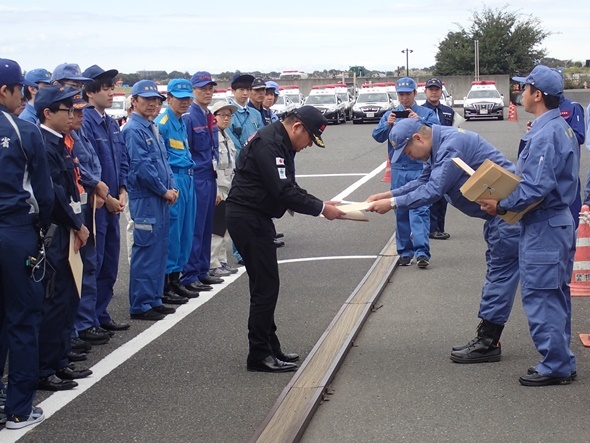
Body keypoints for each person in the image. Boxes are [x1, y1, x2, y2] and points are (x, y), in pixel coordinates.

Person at [366, 118, 520, 364]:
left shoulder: (452, 145)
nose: (411, 158)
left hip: (509, 217)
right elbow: (423, 181)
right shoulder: (441, 143)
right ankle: (491, 339)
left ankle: (488, 342)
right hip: (502, 217)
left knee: (502, 275)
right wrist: (388, 194)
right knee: (510, 276)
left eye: (408, 152)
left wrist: (392, 204)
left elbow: (433, 190)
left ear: (418, 138)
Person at [479, 65, 579, 386]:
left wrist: (501, 204)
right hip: (553, 223)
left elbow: (536, 187)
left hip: (544, 225)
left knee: (542, 295)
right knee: (554, 294)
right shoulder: (556, 127)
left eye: (524, 88)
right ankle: (560, 359)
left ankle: (556, 365)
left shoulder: (547, 133)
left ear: (538, 95)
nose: (519, 93)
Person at [226, 106, 346, 373]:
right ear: (297, 127)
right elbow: (283, 191)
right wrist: (322, 210)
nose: (308, 146)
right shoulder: (270, 143)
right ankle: (258, 354)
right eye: (309, 139)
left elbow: (287, 186)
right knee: (265, 287)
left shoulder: (278, 140)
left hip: (255, 216)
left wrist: (319, 203)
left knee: (266, 285)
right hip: (248, 217)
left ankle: (270, 346)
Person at [0, 58, 53, 429]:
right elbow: (45, 195)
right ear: (5, 90)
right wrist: (41, 230)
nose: (23, 96)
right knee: (23, 321)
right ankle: (19, 408)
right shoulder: (24, 130)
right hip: (16, 230)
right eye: (20, 90)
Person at [35, 85, 93, 392]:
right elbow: (54, 195)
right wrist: (76, 224)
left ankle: (59, 360)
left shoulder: (59, 143)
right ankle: (45, 368)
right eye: (65, 110)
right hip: (59, 230)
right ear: (48, 113)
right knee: (56, 300)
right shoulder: (44, 144)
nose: (71, 115)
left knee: (69, 297)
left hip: (71, 227)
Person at [81, 65, 130, 332]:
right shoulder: (85, 122)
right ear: (90, 92)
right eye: (106, 87)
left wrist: (121, 190)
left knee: (110, 260)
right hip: (96, 203)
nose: (112, 92)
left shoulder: (111, 123)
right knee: (94, 262)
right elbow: (86, 167)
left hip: (113, 201)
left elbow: (122, 159)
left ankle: (101, 313)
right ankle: (86, 321)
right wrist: (108, 196)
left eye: (112, 86)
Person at [123, 80, 178, 321]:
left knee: (159, 249)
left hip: (160, 196)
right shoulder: (133, 130)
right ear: (134, 101)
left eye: (156, 100)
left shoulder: (151, 127)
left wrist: (172, 187)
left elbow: (164, 161)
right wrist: (163, 190)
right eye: (147, 100)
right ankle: (141, 304)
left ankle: (154, 298)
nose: (153, 104)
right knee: (145, 251)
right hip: (146, 198)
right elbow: (140, 167)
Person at [371, 77, 438, 268]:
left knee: (420, 209)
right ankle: (405, 252)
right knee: (399, 209)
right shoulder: (389, 114)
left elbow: (439, 131)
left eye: (408, 94)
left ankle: (422, 252)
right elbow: (377, 136)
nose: (404, 98)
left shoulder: (426, 113)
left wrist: (420, 121)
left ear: (415, 94)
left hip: (420, 167)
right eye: (401, 94)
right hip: (399, 169)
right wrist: (388, 124)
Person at [154, 78, 200, 303]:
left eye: (187, 99)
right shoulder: (162, 122)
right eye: (180, 99)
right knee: (172, 233)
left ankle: (176, 278)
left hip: (188, 178)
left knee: (185, 231)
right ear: (169, 98)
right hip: (174, 179)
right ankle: (166, 284)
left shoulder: (181, 121)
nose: (185, 102)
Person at [179, 71, 223, 291]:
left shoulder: (208, 115)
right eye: (202, 88)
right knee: (194, 228)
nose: (207, 92)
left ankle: (202, 269)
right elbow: (186, 150)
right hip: (196, 176)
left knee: (207, 226)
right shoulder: (189, 116)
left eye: (210, 88)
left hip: (209, 176)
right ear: (192, 90)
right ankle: (190, 273)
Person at [421, 77, 454, 240]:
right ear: (425, 91)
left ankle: (440, 227)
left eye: (437, 89)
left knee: (443, 194)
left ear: (441, 92)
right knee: (431, 192)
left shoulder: (448, 111)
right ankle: (431, 228)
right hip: (427, 156)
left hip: (445, 155)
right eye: (430, 89)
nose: (434, 92)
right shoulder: (420, 112)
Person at [209, 101, 239, 277]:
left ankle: (221, 260)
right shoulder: (212, 136)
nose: (226, 118)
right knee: (216, 228)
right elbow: (211, 165)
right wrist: (216, 191)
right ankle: (212, 263)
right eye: (222, 115)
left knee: (223, 227)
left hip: (228, 186)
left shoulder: (226, 136)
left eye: (229, 115)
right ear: (214, 117)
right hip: (218, 187)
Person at [558, 93, 585, 226]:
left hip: (568, 170)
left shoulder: (572, 107)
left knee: (572, 213)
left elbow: (580, 136)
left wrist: (556, 132)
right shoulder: (547, 110)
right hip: (551, 172)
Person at [227, 72, 263, 154]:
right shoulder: (228, 114)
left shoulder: (256, 113)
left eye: (248, 89)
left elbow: (262, 137)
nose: (245, 93)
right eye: (241, 89)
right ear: (233, 91)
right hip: (239, 162)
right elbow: (232, 143)